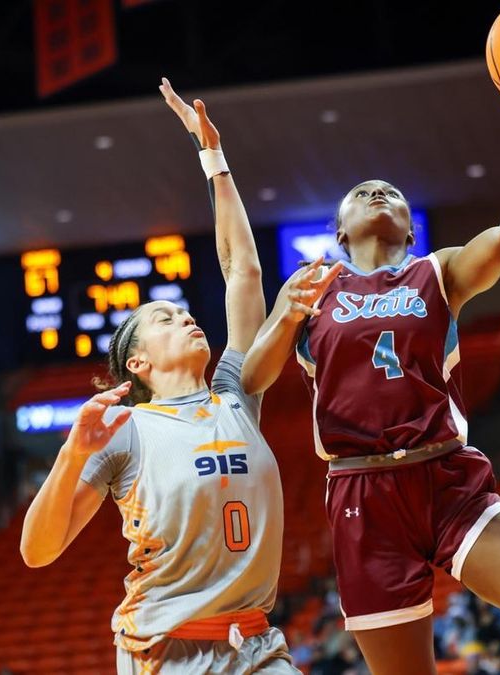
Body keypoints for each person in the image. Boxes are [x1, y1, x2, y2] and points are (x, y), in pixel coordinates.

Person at [238, 41, 500, 675]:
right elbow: (252, 380)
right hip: (362, 498)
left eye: (391, 192)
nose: (378, 192)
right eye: (363, 192)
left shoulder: (439, 273)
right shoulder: (311, 289)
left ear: (411, 230)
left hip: (449, 480)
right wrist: (283, 316)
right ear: (340, 230)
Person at [19, 79, 296, 673]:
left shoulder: (234, 394)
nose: (188, 317)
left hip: (255, 644)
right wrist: (71, 454)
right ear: (137, 363)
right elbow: (37, 552)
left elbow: (242, 274)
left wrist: (214, 160)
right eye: (165, 319)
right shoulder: (126, 431)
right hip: (166, 651)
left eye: (184, 311)